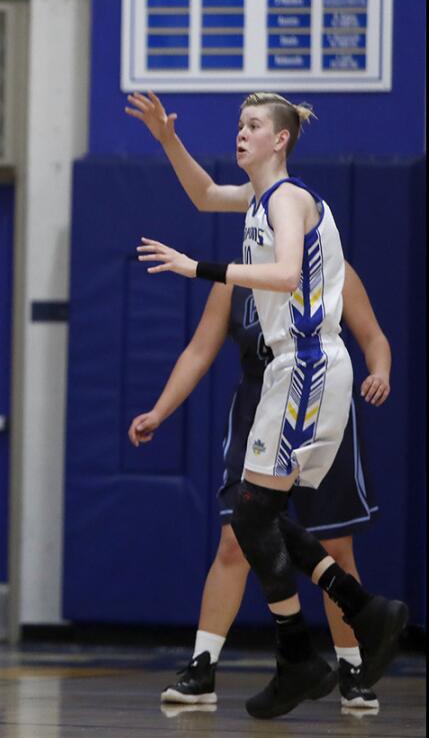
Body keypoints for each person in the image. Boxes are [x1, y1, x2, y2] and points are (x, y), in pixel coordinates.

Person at [126, 91, 408, 719]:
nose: (242, 133)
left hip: (306, 363)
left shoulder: (289, 199)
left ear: (281, 139)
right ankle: (349, 621)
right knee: (256, 517)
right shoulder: (258, 200)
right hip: (292, 369)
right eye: (239, 124)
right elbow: (203, 195)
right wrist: (166, 137)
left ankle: (312, 648)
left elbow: (284, 274)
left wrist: (196, 266)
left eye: (253, 125)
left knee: (253, 518)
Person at [130, 265, 391, 710]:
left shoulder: (333, 266)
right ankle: (202, 668)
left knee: (335, 545)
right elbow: (198, 351)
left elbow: (373, 336)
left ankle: (352, 668)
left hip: (320, 405)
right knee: (235, 539)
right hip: (260, 411)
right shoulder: (233, 278)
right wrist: (159, 410)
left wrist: (379, 371)